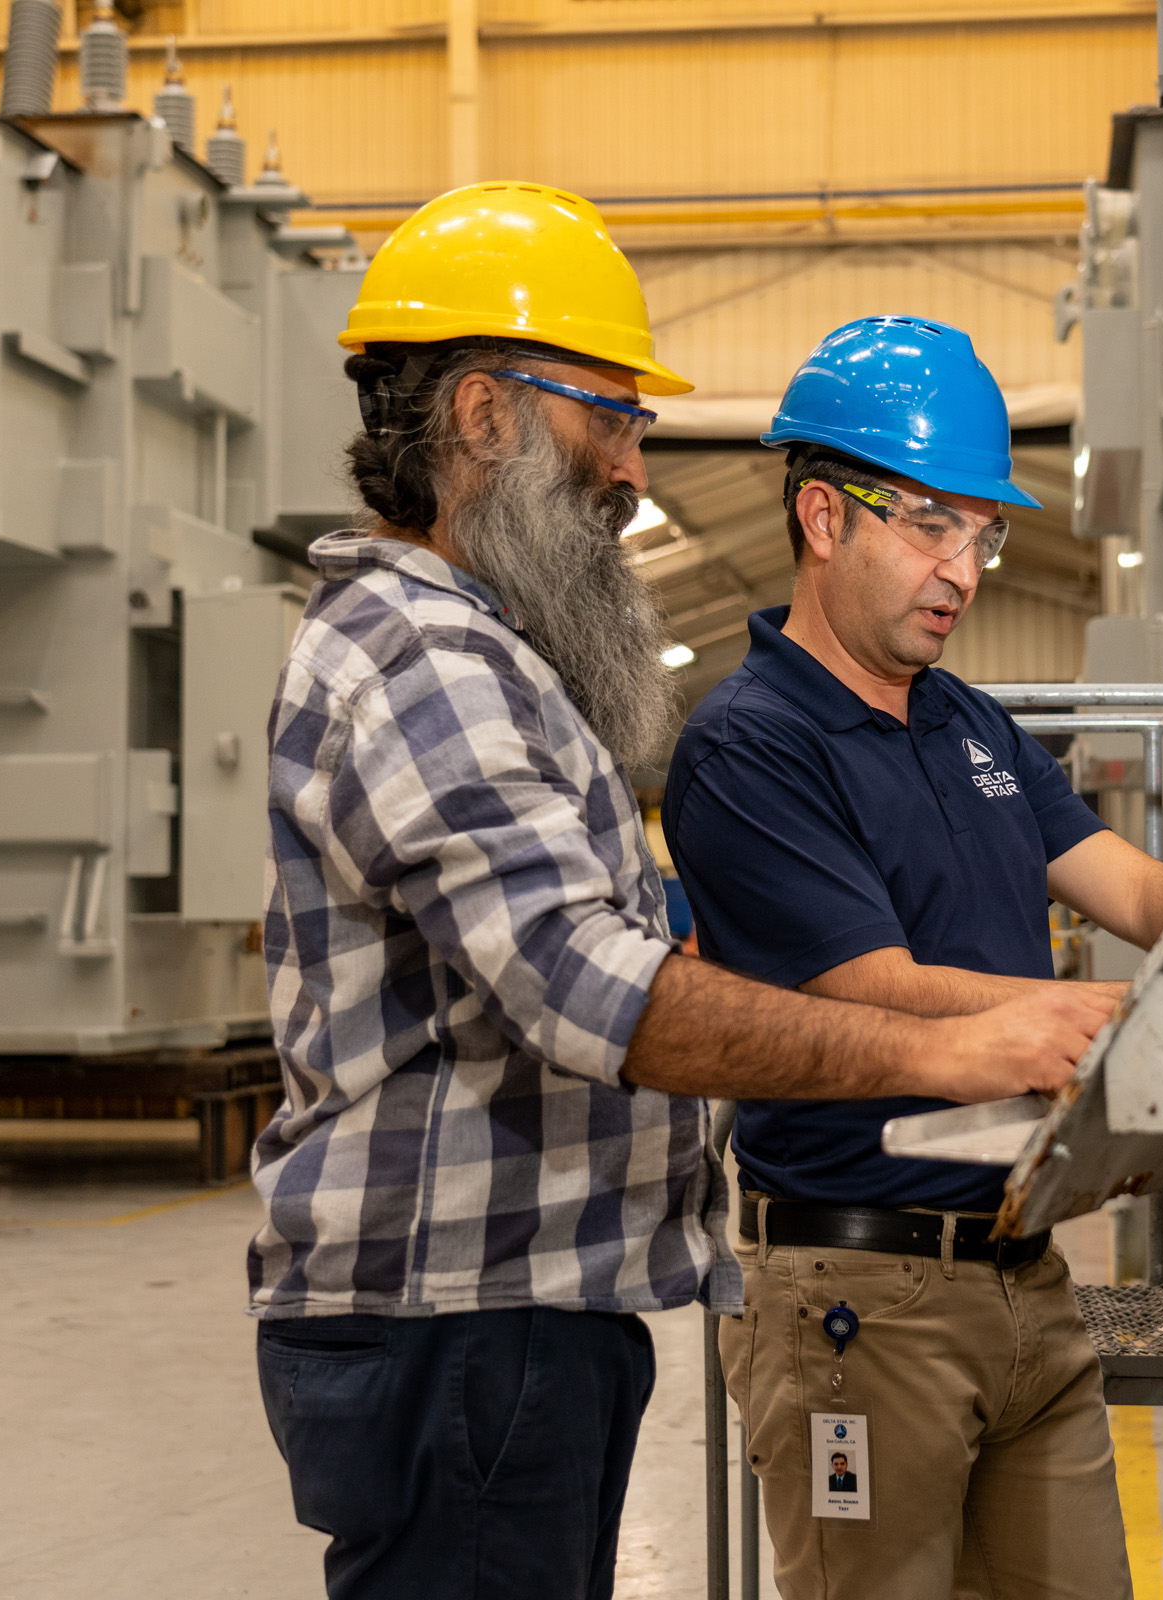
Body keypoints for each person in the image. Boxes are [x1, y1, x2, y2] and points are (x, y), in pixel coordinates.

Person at [246, 194, 1115, 1600]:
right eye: (613, 417)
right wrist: (948, 1049)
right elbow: (587, 985)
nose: (634, 468)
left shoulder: (487, 659)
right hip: (456, 1327)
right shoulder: (425, 667)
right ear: (483, 413)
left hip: (512, 1317)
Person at [663, 317, 1163, 1600]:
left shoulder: (971, 720)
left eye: (982, 531)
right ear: (821, 515)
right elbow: (874, 984)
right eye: (926, 523)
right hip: (859, 1294)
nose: (962, 568)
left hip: (1024, 1261)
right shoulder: (751, 745)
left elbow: (1128, 885)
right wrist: (1114, 1021)